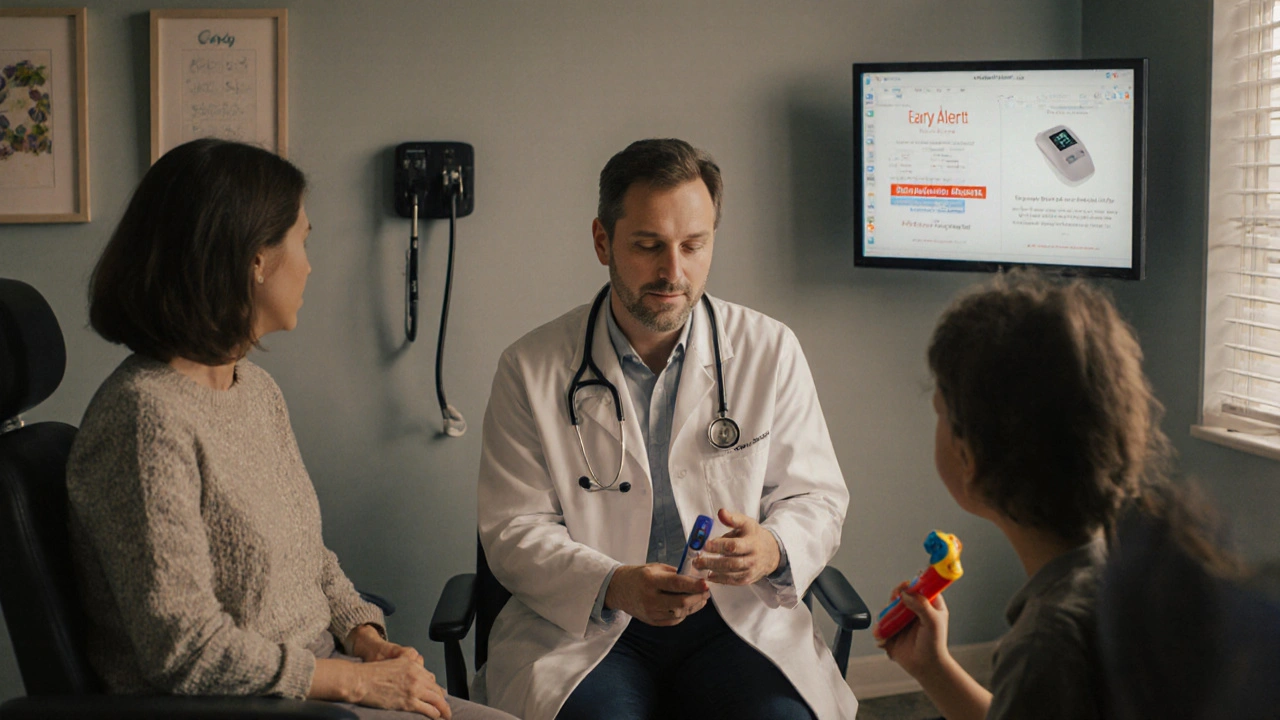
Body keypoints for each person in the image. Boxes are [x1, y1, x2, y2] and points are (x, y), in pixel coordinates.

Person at [66, 138, 516, 720]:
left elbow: (309, 557)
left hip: (317, 685)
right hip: (248, 709)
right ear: (255, 259)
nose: (309, 263)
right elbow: (184, 652)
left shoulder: (251, 389)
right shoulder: (143, 420)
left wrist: (363, 637)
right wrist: (355, 684)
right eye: (303, 239)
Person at [475, 138, 856, 720]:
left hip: (736, 620)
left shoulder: (768, 349)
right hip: (589, 626)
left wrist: (773, 547)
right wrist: (615, 583)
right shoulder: (529, 367)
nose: (672, 272)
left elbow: (816, 497)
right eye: (649, 245)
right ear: (603, 241)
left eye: (693, 245)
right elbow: (512, 529)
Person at [876, 270, 1178, 720]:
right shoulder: (1131, 579)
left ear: (969, 456)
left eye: (939, 411)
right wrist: (934, 669)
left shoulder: (1047, 645)